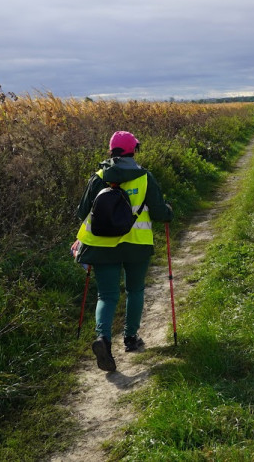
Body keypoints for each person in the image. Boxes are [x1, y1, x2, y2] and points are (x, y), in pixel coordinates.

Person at [72, 131, 173, 372]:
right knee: (135, 289)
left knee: (106, 296)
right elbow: (160, 213)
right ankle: (130, 338)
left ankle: (103, 339)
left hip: (102, 246)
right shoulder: (145, 177)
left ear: (111, 151)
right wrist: (169, 211)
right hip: (136, 245)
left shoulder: (98, 178)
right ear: (133, 151)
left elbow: (81, 212)